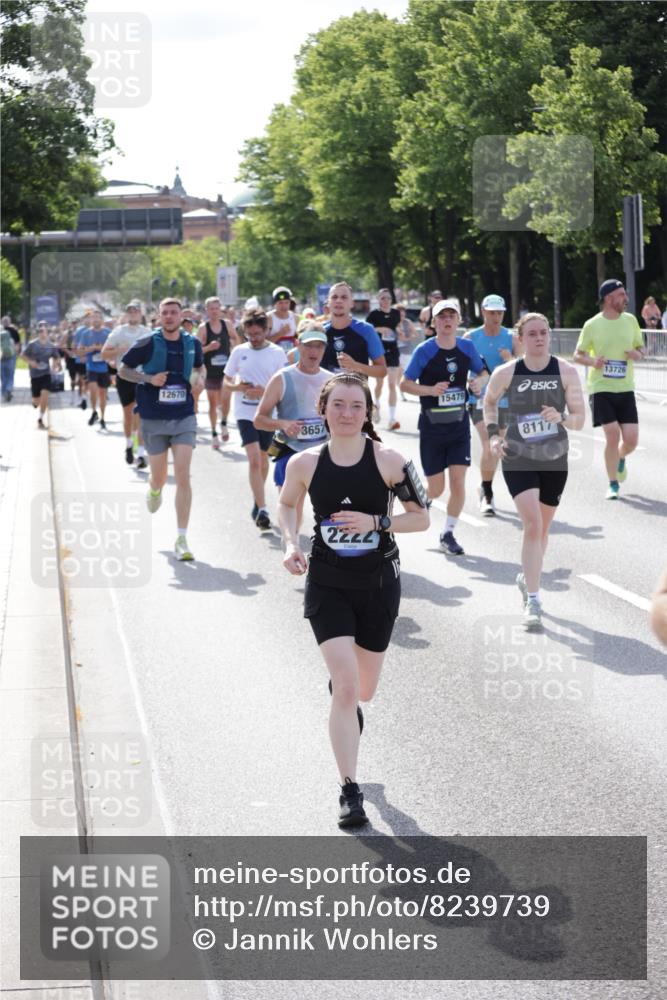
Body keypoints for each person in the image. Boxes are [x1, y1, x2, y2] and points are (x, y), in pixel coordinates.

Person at [278, 373, 429, 827]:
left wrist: (376, 522)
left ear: (368, 413)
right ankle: (349, 789)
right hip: (328, 581)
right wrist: (290, 543)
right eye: (338, 405)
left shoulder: (390, 460)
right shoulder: (303, 463)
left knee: (363, 690)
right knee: (346, 687)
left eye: (356, 407)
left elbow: (421, 518)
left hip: (379, 582)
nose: (346, 414)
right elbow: (287, 505)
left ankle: (344, 692)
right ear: (323, 409)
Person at [484, 312, 585, 631]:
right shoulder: (506, 372)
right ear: (521, 338)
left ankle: (527, 577)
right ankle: (535, 600)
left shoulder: (566, 371)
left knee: (542, 531)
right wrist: (494, 436)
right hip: (518, 455)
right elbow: (487, 403)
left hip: (554, 458)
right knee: (532, 523)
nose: (539, 338)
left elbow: (580, 419)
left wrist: (562, 417)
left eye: (544, 333)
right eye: (532, 334)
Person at [117, 298, 205, 561]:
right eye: (165, 313)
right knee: (158, 477)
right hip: (153, 418)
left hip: (183, 417)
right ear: (158, 317)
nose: (169, 316)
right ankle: (154, 489)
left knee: (183, 476)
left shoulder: (192, 343)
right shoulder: (147, 342)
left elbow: (200, 365)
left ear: (181, 316)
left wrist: (199, 377)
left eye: (174, 313)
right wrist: (148, 379)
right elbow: (123, 370)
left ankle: (181, 537)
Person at [400, 298, 486, 555]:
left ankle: (448, 533)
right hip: (432, 428)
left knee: (458, 482)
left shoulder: (467, 348)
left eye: (451, 316)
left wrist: (479, 383)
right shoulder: (425, 351)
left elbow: (483, 373)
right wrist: (430, 390)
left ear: (458, 320)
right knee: (436, 489)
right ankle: (419, 499)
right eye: (441, 316)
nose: (447, 320)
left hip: (459, 427)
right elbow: (404, 384)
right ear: (433, 322)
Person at [254, 323, 332, 533]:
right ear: (297, 345)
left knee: (329, 511)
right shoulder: (282, 378)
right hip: (290, 451)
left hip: (321, 454)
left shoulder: (330, 380)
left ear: (325, 349)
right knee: (292, 507)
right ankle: (292, 546)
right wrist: (282, 423)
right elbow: (259, 419)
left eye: (319, 346)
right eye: (308, 345)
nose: (313, 352)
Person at [574, 279, 645, 500]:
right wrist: (593, 361)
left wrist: (638, 354)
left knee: (631, 440)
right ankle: (613, 483)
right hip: (601, 388)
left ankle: (620, 457)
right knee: (612, 435)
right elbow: (578, 355)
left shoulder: (631, 320)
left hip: (625, 388)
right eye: (621, 294)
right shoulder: (592, 324)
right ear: (609, 298)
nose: (626, 298)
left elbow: (641, 348)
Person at [223, 308, 287, 530]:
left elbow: (283, 386)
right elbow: (227, 381)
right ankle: (263, 509)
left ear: (267, 330)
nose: (254, 338)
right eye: (250, 334)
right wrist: (238, 387)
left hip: (268, 414)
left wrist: (263, 392)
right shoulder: (239, 351)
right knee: (253, 460)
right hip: (244, 412)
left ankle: (257, 499)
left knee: (262, 460)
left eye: (258, 334)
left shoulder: (278, 353)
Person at [464, 293, 522, 515]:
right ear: (483, 312)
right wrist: (469, 383)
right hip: (478, 400)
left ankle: (484, 485)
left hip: (504, 401)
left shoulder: (512, 337)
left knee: (497, 447)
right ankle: (488, 493)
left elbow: (523, 369)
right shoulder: (471, 337)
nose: (496, 317)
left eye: (499, 313)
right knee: (490, 442)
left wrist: (510, 359)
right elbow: (460, 366)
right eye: (491, 313)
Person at [101, 302, 151, 467]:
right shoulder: (118, 332)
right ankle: (129, 445)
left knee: (142, 415)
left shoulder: (147, 332)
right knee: (128, 414)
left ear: (141, 313)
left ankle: (142, 454)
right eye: (131, 311)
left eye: (136, 311)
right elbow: (104, 353)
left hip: (142, 377)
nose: (134, 314)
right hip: (124, 377)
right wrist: (119, 351)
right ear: (127, 314)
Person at [321, 282, 387, 384]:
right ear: (328, 303)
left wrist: (355, 366)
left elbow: (382, 371)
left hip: (357, 397)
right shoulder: (320, 332)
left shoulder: (366, 330)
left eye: (344, 297)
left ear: (352, 303)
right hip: (328, 397)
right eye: (334, 297)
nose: (339, 300)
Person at [197, 296, 238, 449]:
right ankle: (214, 433)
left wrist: (233, 345)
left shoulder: (227, 324)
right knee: (213, 404)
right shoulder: (203, 328)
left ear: (220, 309)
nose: (214, 311)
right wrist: (209, 347)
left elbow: (236, 339)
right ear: (207, 310)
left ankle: (224, 423)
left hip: (226, 371)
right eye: (211, 309)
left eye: (216, 308)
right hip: (211, 371)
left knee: (226, 401)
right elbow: (196, 350)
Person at [366, 289, 409, 429]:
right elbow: (368, 330)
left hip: (393, 351)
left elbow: (397, 328)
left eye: (388, 298)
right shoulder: (374, 314)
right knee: (379, 384)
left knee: (392, 384)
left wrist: (399, 332)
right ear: (378, 300)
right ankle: (376, 403)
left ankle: (392, 418)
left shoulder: (396, 313)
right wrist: (380, 329)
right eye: (383, 298)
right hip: (379, 352)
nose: (386, 301)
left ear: (391, 300)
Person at [75, 309, 112, 429]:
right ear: (91, 320)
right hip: (91, 367)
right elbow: (79, 351)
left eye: (98, 317)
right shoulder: (86, 333)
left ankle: (102, 417)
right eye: (94, 317)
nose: (96, 319)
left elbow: (113, 349)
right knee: (93, 390)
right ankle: (93, 411)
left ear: (101, 320)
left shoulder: (108, 332)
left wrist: (103, 349)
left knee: (102, 394)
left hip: (104, 368)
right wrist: (91, 349)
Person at [22, 323, 62, 427]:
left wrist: (55, 365)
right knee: (36, 402)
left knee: (45, 394)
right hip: (35, 375)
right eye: (40, 331)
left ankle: (40, 418)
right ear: (38, 333)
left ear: (47, 333)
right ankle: (35, 402)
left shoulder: (51, 345)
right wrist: (31, 362)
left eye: (44, 331)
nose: (42, 333)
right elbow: (23, 355)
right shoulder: (32, 344)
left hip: (46, 374)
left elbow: (56, 357)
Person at [267, 286, 298, 352]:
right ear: (275, 304)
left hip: (290, 356)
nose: (284, 306)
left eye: (286, 302)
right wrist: (280, 333)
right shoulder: (269, 318)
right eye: (280, 303)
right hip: (273, 354)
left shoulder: (295, 317)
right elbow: (263, 342)